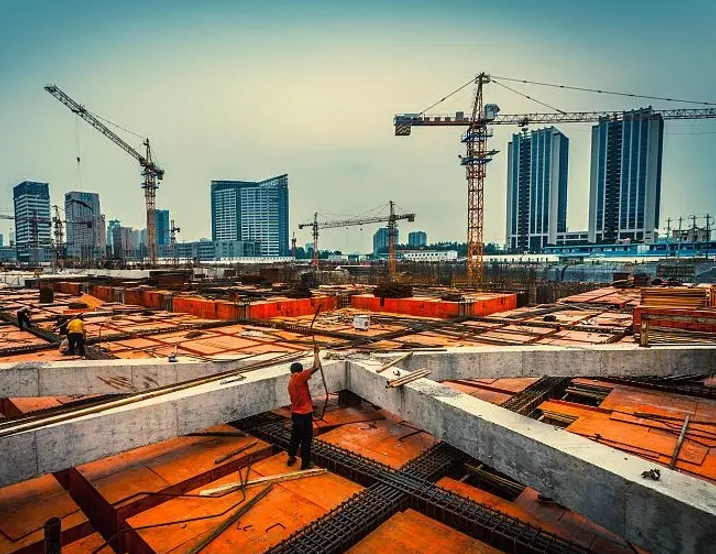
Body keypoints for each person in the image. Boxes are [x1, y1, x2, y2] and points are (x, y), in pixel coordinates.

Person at [287, 346, 321, 470]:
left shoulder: (291, 382)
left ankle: (291, 456)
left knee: (295, 436)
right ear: (299, 371)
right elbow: (316, 367)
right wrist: (316, 353)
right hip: (304, 415)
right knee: (306, 439)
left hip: (296, 414)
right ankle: (305, 463)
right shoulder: (298, 378)